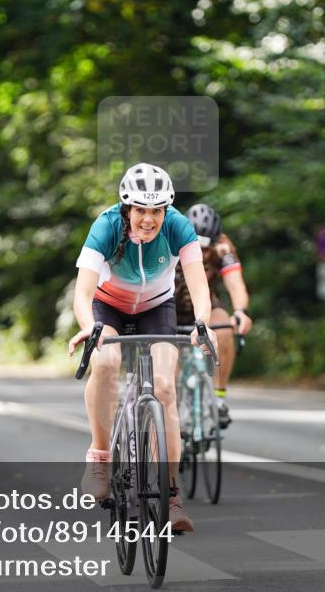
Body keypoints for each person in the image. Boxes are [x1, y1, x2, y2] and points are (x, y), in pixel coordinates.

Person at [68, 163, 217, 533]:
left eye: (156, 211)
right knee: (105, 364)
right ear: (127, 209)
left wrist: (203, 323)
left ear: (166, 210)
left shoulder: (179, 227)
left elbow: (199, 286)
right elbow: (83, 292)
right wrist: (90, 327)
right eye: (140, 210)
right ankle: (100, 457)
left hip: (157, 307)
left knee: (165, 387)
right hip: (109, 306)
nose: (148, 220)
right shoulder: (106, 226)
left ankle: (171, 496)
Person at [174, 204, 253, 428]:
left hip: (205, 309)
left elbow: (235, 284)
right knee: (170, 367)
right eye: (196, 245)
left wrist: (240, 312)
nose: (201, 252)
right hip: (169, 308)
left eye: (206, 246)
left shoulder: (223, 248)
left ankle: (218, 398)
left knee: (226, 327)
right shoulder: (170, 242)